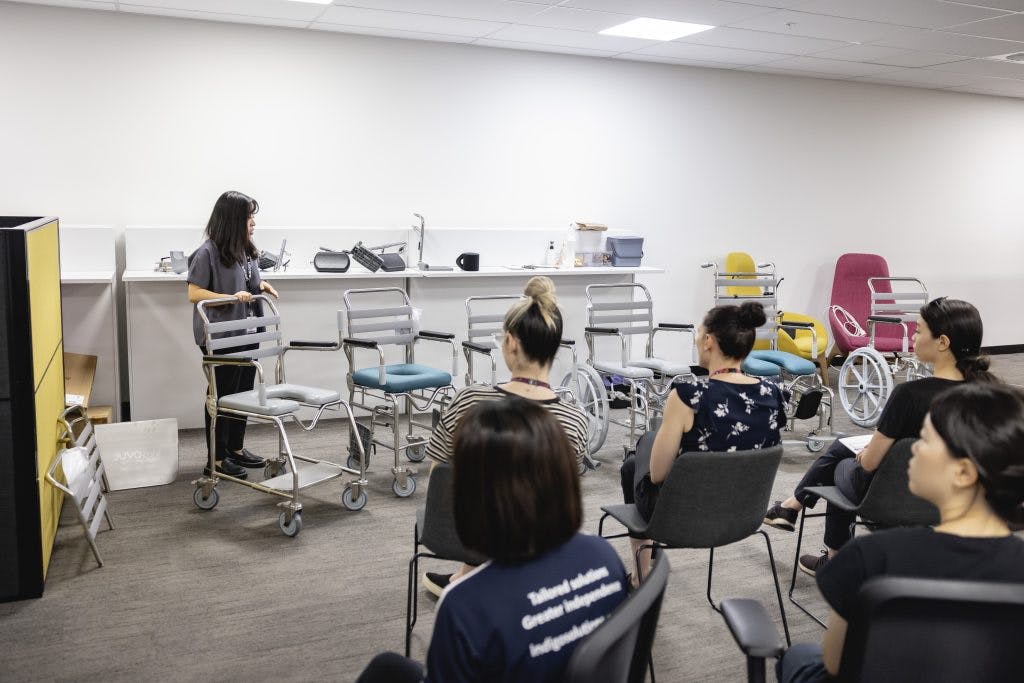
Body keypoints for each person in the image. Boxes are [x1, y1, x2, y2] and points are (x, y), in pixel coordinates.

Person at [355, 399, 628, 683]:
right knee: (387, 667)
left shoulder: (464, 607)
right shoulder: (604, 555)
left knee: (384, 670)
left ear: (471, 496)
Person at [777, 382, 1024, 683]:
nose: (914, 447)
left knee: (798, 656)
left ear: (963, 473)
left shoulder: (871, 559)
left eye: (925, 440)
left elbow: (836, 660)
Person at [764, 298, 996, 576]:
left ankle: (832, 556)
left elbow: (870, 464)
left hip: (892, 497)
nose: (913, 336)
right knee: (842, 447)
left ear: (943, 342)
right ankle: (792, 509)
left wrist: (866, 455)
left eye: (920, 331)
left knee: (841, 465)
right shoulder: (992, 394)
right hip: (960, 499)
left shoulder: (910, 395)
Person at [422, 276, 589, 596]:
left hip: (463, 532)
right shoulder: (574, 420)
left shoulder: (470, 400)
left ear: (511, 343)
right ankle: (474, 575)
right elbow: (562, 495)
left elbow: (438, 478)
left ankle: (469, 575)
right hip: (539, 542)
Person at [620, 301, 789, 583]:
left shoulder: (689, 394)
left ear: (709, 341)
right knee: (639, 458)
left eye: (699, 334)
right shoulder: (773, 394)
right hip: (745, 515)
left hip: (682, 518)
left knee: (634, 463)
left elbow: (659, 474)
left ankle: (641, 574)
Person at [187, 190, 279, 480]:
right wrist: (229, 296)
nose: (253, 223)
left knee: (243, 393)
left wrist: (260, 284)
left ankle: (235, 449)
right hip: (220, 337)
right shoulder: (207, 253)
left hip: (247, 332)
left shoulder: (246, 249)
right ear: (232, 220)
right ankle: (215, 458)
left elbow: (248, 280)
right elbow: (194, 293)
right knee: (221, 394)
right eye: (248, 217)